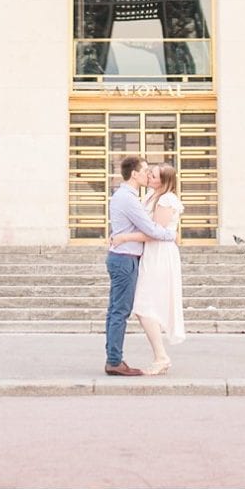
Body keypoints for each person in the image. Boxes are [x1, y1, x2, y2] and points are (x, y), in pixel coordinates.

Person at [102, 154, 176, 377]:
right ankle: (114, 361)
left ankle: (113, 358)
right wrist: (171, 234)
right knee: (119, 311)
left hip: (123, 257)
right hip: (124, 259)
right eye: (145, 171)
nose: (147, 175)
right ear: (134, 174)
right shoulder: (128, 198)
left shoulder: (126, 196)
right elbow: (151, 229)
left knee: (116, 311)